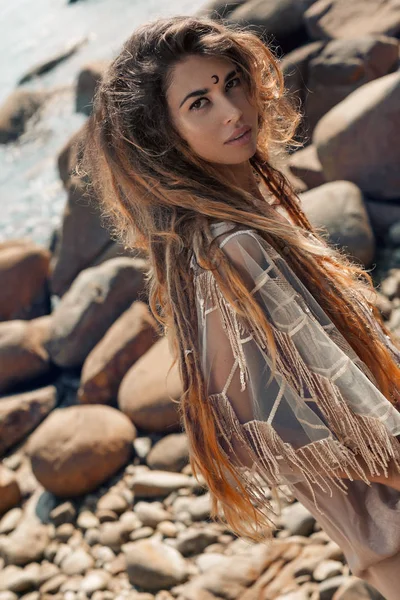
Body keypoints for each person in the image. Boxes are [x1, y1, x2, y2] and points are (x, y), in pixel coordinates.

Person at [77, 14, 400, 599]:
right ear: (165, 137)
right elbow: (269, 425)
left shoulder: (207, 238)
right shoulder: (232, 244)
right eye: (199, 102)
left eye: (231, 82)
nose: (233, 110)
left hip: (376, 537)